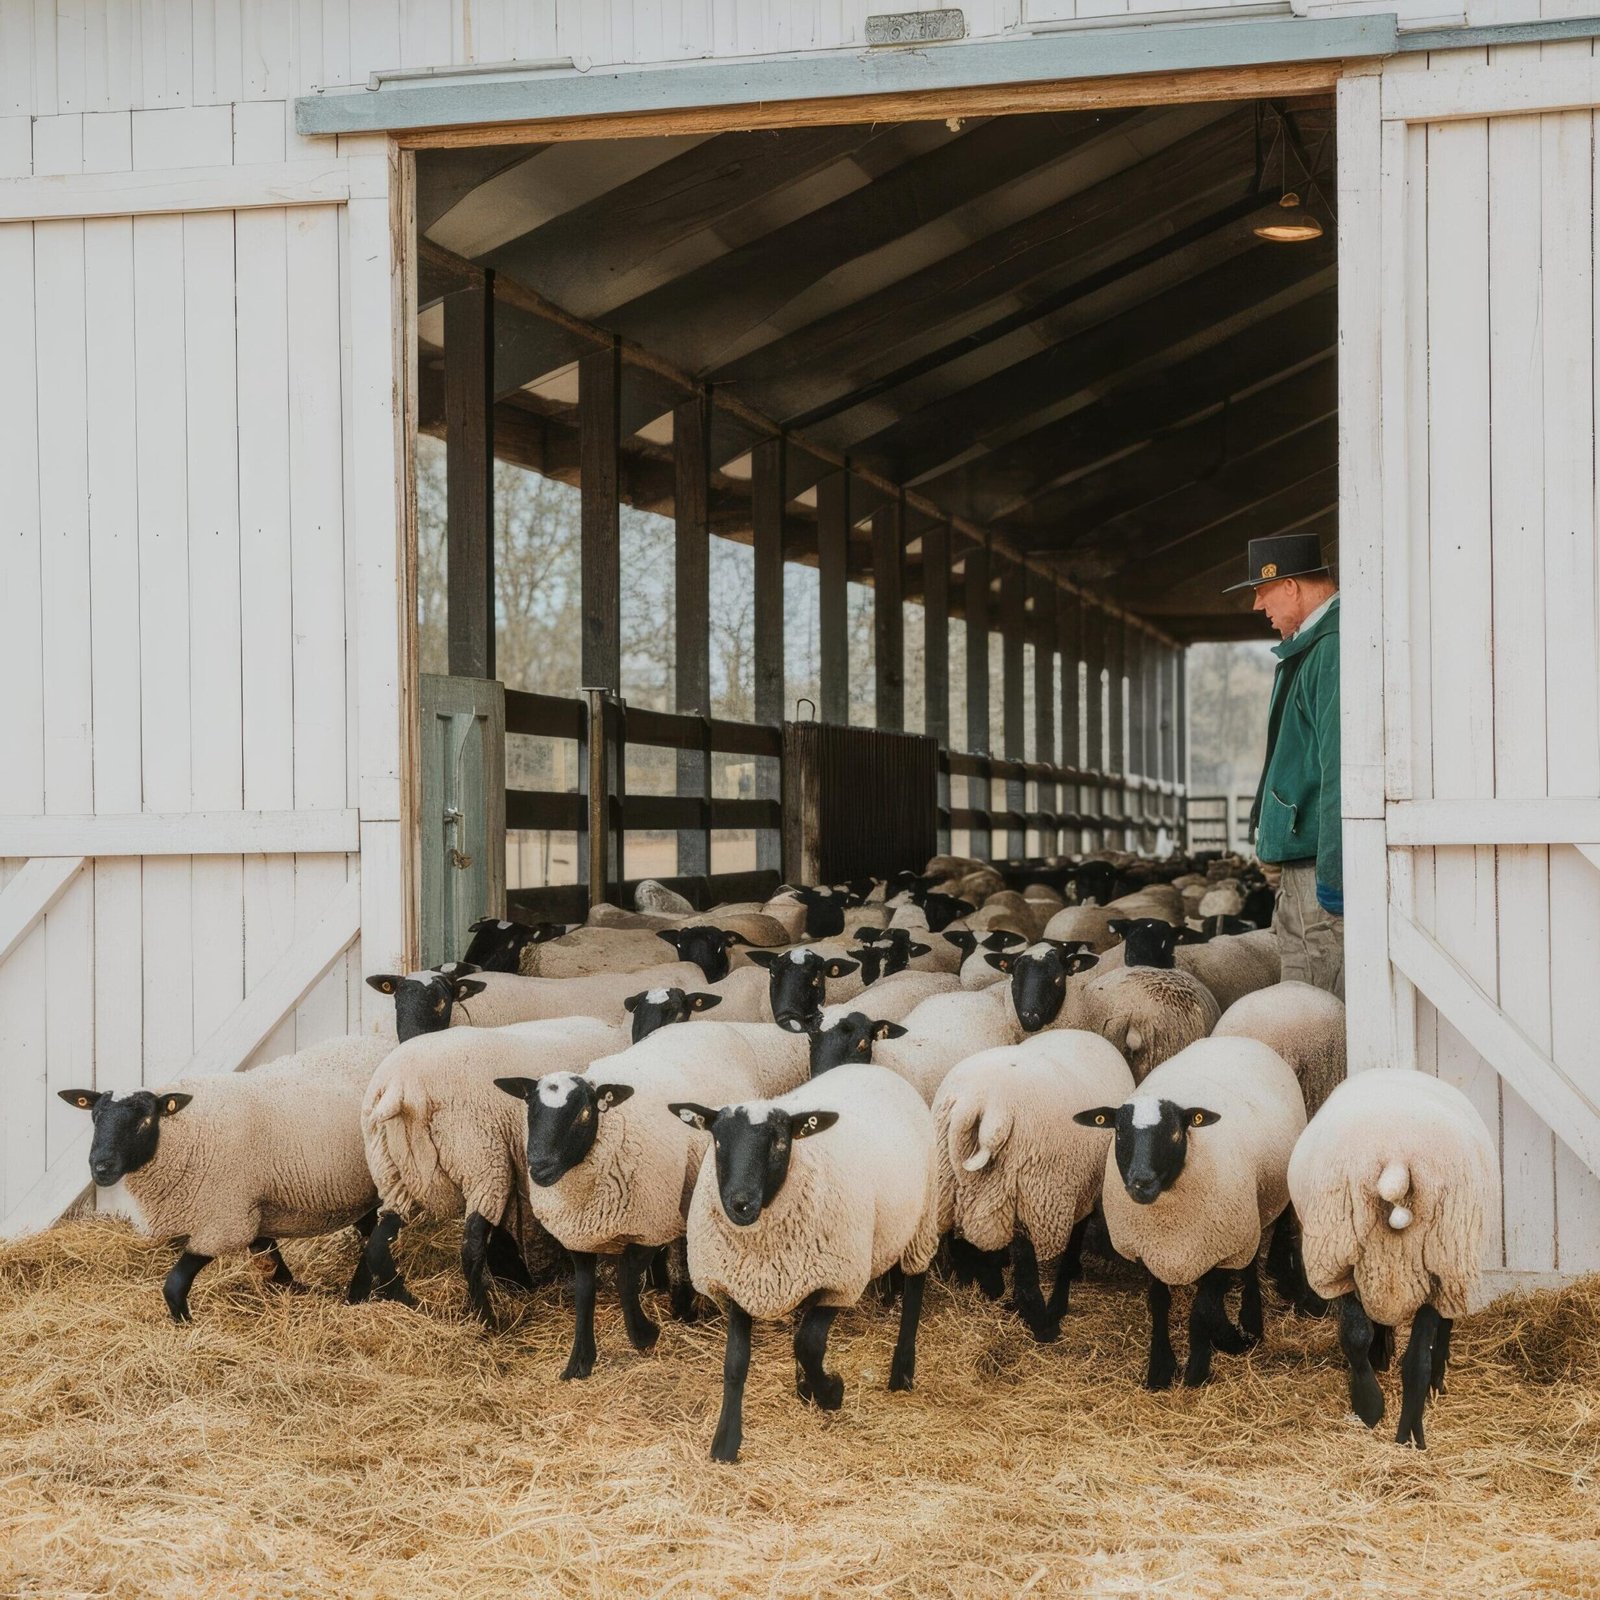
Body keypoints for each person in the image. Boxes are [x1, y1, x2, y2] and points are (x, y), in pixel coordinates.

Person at [1225, 533, 1342, 998]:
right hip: (1301, 867)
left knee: (1317, 1007)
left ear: (1290, 586)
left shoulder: (1331, 648)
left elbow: (1339, 767)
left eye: (1262, 591)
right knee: (1296, 1001)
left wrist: (1335, 876)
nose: (1258, 605)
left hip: (1318, 869)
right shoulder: (1308, 648)